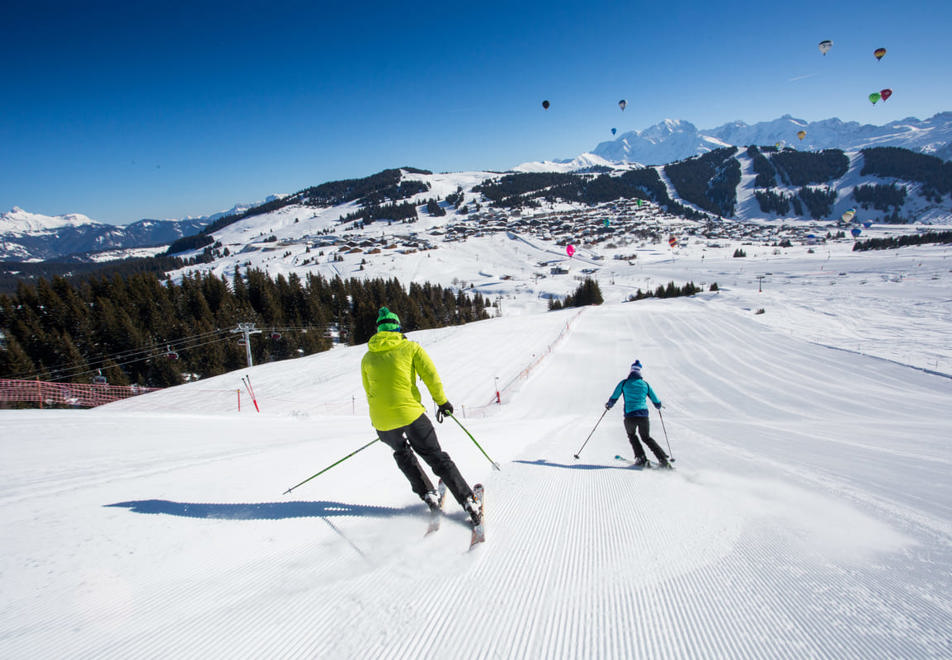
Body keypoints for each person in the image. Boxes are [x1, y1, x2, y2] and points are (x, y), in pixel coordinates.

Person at [361, 306, 482, 525]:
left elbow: (369, 391)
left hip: (383, 422)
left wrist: (380, 421)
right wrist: (442, 402)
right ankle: (468, 501)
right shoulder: (410, 348)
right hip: (411, 415)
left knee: (402, 453)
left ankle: (427, 494)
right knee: (435, 457)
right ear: (398, 327)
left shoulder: (367, 357)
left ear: (378, 331)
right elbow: (431, 377)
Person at [605, 360, 670, 468]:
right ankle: (663, 459)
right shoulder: (645, 384)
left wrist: (609, 405)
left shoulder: (624, 383)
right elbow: (655, 400)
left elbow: (615, 396)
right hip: (643, 415)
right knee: (646, 437)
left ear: (631, 372)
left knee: (632, 435)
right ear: (640, 373)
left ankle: (641, 458)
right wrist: (658, 406)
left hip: (630, 415)